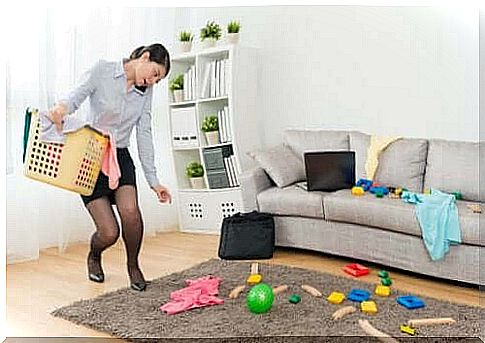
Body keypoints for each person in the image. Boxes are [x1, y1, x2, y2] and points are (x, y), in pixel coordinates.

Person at [49, 43, 172, 291]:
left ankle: (133, 266)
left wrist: (153, 180)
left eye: (158, 80)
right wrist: (61, 109)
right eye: (155, 73)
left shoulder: (145, 92)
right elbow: (76, 96)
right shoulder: (103, 70)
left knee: (130, 211)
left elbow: (144, 132)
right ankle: (94, 255)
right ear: (145, 57)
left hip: (120, 156)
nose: (153, 82)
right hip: (91, 157)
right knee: (109, 232)